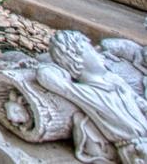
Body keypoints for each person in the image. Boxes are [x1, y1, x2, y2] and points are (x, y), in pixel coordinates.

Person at [36, 30, 147, 164]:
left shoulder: (115, 80)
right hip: (136, 148)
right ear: (76, 57)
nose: (99, 54)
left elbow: (140, 102)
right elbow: (44, 74)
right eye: (91, 50)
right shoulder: (84, 92)